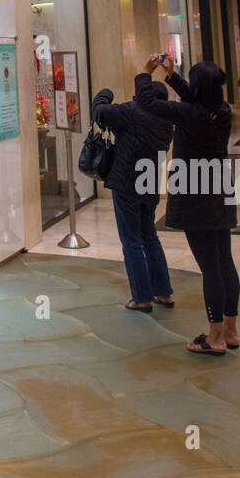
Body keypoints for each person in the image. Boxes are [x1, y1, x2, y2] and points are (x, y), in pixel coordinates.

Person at [138, 55, 238, 356]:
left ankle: (215, 337)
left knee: (210, 268)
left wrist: (146, 73)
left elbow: (148, 103)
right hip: (220, 189)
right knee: (225, 261)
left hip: (195, 194)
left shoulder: (189, 114)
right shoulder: (221, 110)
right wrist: (172, 76)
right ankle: (231, 331)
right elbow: (196, 99)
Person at [91, 72, 175, 313]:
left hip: (126, 182)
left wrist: (104, 93)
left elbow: (100, 112)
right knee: (150, 237)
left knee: (132, 241)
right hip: (149, 183)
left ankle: (141, 297)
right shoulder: (166, 122)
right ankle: (163, 291)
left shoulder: (132, 112)